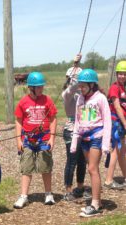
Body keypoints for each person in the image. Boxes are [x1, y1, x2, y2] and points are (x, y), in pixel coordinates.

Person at [13, 72, 57, 209]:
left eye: (42, 87)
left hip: (44, 139)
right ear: (31, 88)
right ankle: (24, 196)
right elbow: (19, 121)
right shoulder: (23, 102)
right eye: (38, 87)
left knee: (46, 167)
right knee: (26, 168)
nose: (41, 89)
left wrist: (52, 137)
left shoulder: (47, 100)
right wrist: (18, 141)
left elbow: (53, 119)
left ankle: (48, 194)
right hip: (27, 140)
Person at [71, 69, 111, 217]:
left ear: (92, 84)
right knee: (92, 169)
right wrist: (75, 140)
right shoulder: (80, 99)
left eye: (83, 86)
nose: (81, 88)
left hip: (97, 136)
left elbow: (107, 121)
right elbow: (77, 120)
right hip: (84, 138)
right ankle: (98, 202)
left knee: (92, 168)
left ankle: (94, 205)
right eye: (79, 85)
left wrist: (106, 144)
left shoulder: (100, 98)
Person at [62, 54, 89, 201]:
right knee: (71, 160)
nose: (78, 82)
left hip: (84, 130)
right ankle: (68, 190)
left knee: (82, 161)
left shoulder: (85, 96)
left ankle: (80, 187)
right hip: (71, 131)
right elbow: (72, 88)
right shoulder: (67, 95)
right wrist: (75, 65)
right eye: (74, 78)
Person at [104, 60, 126, 189]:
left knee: (121, 152)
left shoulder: (124, 87)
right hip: (117, 122)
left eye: (124, 74)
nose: (122, 76)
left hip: (122, 122)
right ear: (116, 74)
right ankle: (108, 180)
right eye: (120, 74)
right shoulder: (115, 88)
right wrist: (124, 123)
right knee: (116, 151)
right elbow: (117, 107)